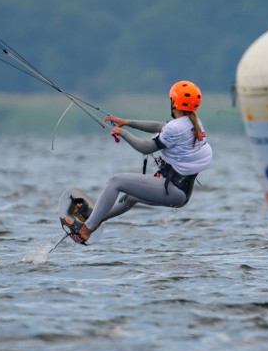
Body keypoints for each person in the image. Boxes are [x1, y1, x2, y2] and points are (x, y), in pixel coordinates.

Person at [60, 80, 213, 245]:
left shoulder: (176, 128)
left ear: (174, 103)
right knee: (131, 196)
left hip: (174, 190)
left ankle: (86, 229)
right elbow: (159, 126)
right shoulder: (193, 122)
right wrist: (126, 122)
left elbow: (146, 148)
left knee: (116, 181)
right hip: (181, 192)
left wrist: (123, 133)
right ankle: (95, 219)